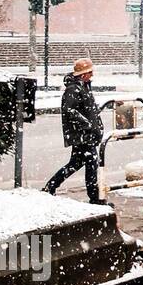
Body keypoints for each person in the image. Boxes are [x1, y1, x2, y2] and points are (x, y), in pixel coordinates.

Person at [43, 58, 105, 204]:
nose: (92, 75)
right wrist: (87, 124)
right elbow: (69, 110)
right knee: (91, 163)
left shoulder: (84, 87)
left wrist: (96, 123)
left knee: (76, 163)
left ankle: (51, 186)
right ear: (83, 74)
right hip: (82, 135)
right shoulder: (73, 89)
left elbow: (88, 109)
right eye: (90, 72)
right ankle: (94, 197)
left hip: (85, 134)